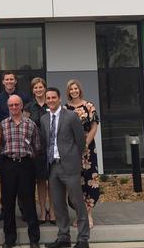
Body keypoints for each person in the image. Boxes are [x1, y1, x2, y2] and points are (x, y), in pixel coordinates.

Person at [41, 88, 89, 248]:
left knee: (77, 202)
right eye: (48, 98)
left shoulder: (71, 116)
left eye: (54, 97)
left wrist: (73, 158)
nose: (51, 100)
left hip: (69, 166)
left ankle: (83, 239)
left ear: (59, 98)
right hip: (52, 167)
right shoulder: (44, 119)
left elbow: (81, 142)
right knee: (58, 204)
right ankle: (63, 237)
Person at [0, 95, 41, 248]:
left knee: (29, 202)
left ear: (22, 106)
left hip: (26, 165)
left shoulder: (31, 124)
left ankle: (34, 239)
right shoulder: (2, 125)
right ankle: (9, 239)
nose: (14, 108)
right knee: (8, 204)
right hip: (8, 166)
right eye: (11, 105)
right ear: (8, 107)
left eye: (17, 105)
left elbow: (36, 147)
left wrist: (27, 160)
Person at [0, 71, 30, 221]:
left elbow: (27, 116)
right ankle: (5, 209)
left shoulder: (24, 97)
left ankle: (23, 208)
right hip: (4, 145)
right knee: (6, 179)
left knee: (22, 180)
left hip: (20, 144)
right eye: (6, 79)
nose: (9, 81)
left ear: (15, 81)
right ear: (3, 82)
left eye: (11, 79)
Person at [65, 80, 100, 229]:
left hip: (87, 149)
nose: (74, 91)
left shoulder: (89, 106)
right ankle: (80, 215)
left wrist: (85, 143)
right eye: (71, 89)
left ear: (80, 90)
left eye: (76, 88)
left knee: (89, 179)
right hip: (72, 150)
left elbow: (94, 126)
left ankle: (89, 215)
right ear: (68, 91)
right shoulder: (65, 108)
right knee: (75, 183)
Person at [24, 77, 55, 224]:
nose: (38, 89)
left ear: (45, 87)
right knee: (41, 182)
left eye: (40, 87)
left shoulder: (52, 103)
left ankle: (53, 211)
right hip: (37, 150)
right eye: (35, 87)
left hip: (53, 148)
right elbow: (25, 128)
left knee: (53, 181)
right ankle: (43, 211)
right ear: (33, 90)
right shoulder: (29, 107)